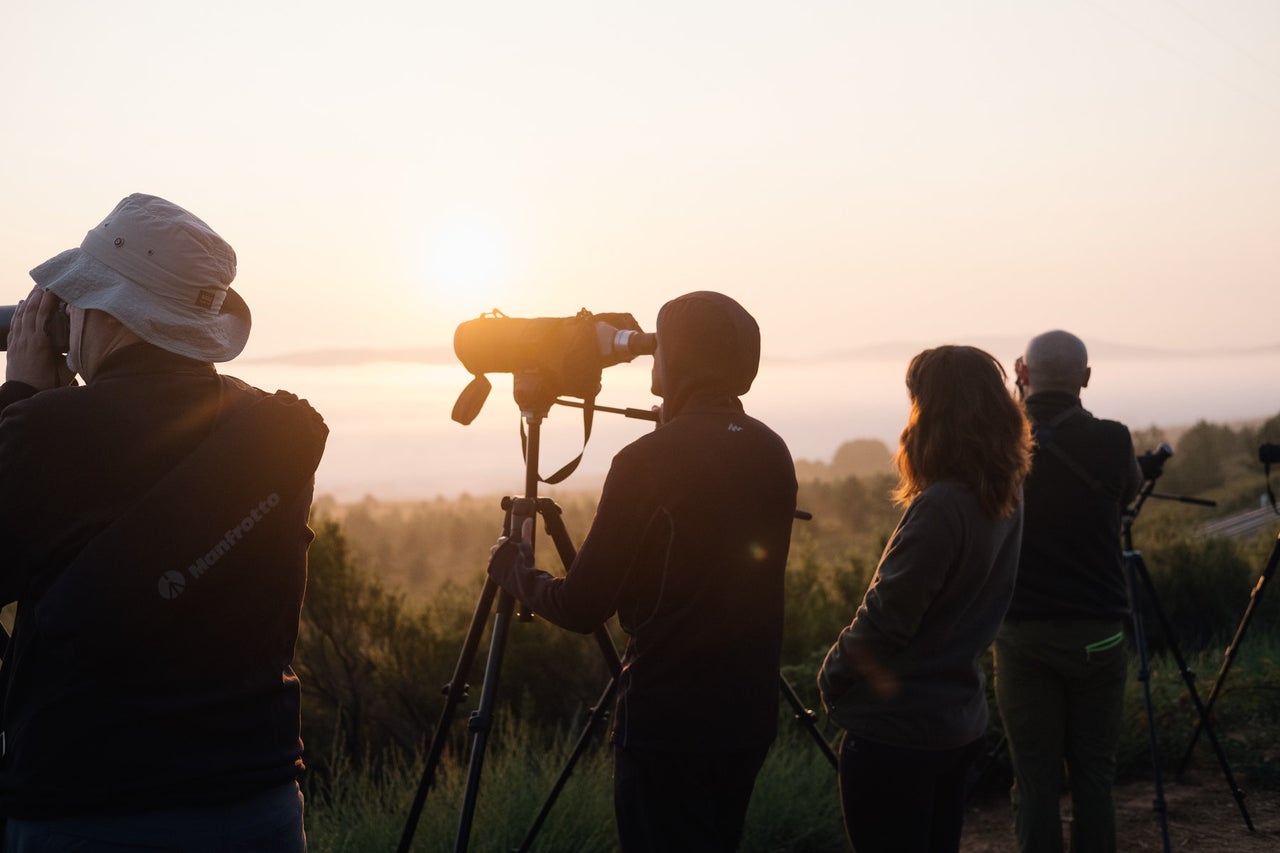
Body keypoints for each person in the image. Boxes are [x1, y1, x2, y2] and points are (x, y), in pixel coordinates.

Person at [0, 194, 327, 851]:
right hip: (254, 802)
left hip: (87, 810)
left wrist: (21, 397)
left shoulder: (41, 433)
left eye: (76, 298)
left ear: (107, 312)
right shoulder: (270, 434)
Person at [488, 291, 797, 853]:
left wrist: (514, 570)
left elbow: (583, 607)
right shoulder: (770, 449)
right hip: (746, 717)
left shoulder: (646, 461)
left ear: (678, 360)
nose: (653, 358)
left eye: (662, 347)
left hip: (669, 724)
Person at [818, 345, 1033, 853]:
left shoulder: (942, 507)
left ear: (933, 411)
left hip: (898, 734)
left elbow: (888, 617)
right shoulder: (1006, 493)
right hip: (957, 721)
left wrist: (833, 674)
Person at [995, 330, 1142, 853]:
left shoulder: (1002, 443)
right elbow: (1127, 495)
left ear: (1025, 374)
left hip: (1023, 634)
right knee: (1094, 778)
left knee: (1035, 782)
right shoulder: (1114, 440)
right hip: (1099, 630)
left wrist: (1019, 392)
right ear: (1086, 378)